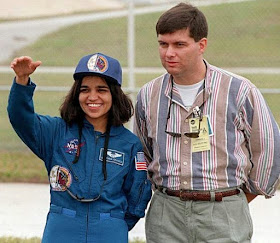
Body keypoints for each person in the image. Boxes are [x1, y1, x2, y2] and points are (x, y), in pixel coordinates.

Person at [134, 3, 280, 243]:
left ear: (201, 45)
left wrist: (237, 199)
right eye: (163, 44)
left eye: (179, 44)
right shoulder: (148, 94)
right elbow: (144, 153)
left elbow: (269, 150)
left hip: (223, 212)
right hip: (166, 215)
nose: (169, 53)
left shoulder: (239, 91)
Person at [8, 53, 151, 243]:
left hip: (109, 229)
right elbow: (21, 118)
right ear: (77, 94)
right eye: (85, 89)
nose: (92, 97)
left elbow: (138, 193)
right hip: (61, 226)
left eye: (101, 89)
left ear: (114, 94)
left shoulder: (130, 144)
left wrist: (114, 222)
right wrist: (22, 81)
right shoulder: (56, 132)